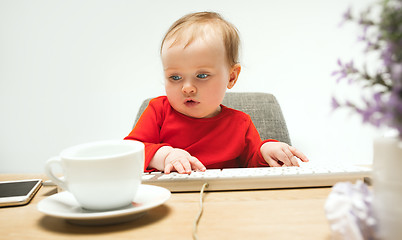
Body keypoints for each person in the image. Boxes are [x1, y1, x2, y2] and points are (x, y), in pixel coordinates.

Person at [125, 11, 308, 174]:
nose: (187, 87)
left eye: (202, 75)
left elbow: (252, 163)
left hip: (224, 200)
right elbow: (129, 151)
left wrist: (265, 150)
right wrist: (164, 156)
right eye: (175, 77)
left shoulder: (240, 124)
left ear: (231, 77)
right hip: (171, 197)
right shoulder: (159, 111)